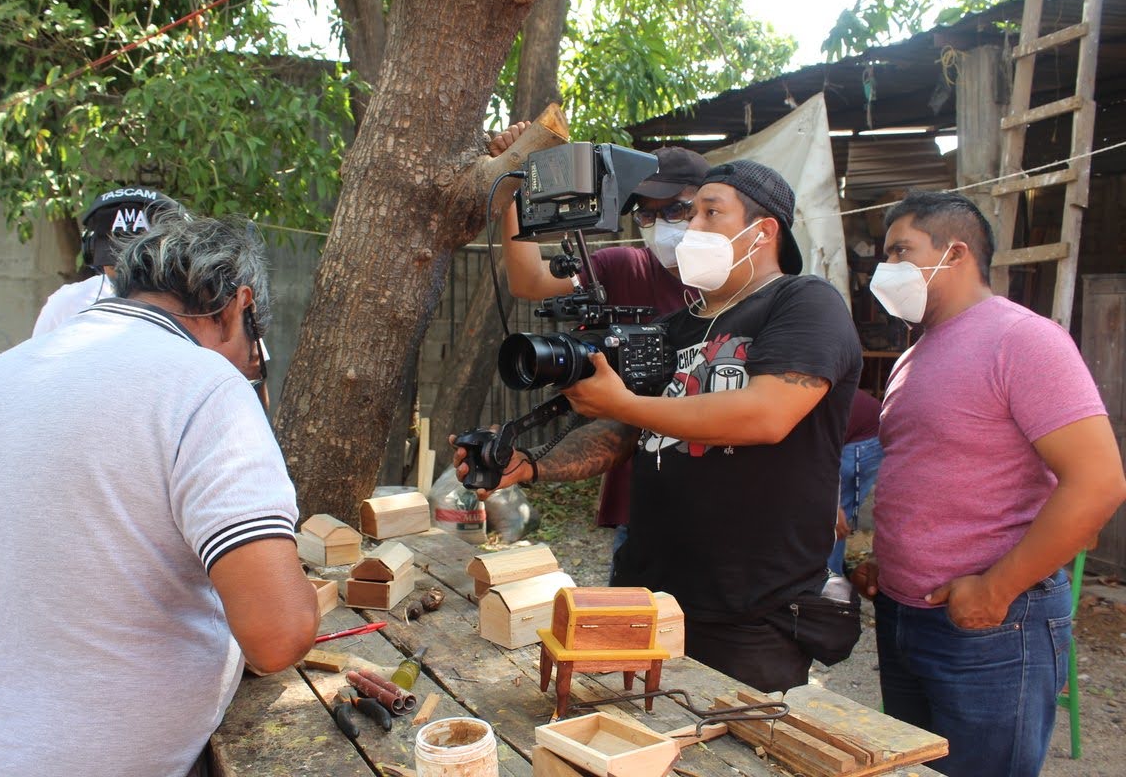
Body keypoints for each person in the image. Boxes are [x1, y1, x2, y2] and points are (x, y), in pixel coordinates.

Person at [0, 213, 319, 776]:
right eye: (253, 342)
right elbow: (278, 636)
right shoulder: (207, 386)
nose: (251, 363)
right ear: (238, 306)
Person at [457, 160, 862, 692]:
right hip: (646, 593)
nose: (691, 228)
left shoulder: (805, 303)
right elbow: (625, 434)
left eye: (710, 213)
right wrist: (530, 465)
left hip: (751, 611)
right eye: (689, 215)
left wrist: (624, 404)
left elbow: (767, 414)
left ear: (763, 232)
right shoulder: (674, 327)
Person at [850, 191, 1126, 777]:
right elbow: (932, 468)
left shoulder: (1022, 340)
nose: (887, 270)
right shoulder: (914, 355)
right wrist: (891, 558)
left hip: (994, 627)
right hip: (907, 615)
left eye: (901, 250)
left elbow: (1099, 482)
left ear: (956, 253)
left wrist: (997, 589)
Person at [492, 122, 707, 571]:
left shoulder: (745, 287)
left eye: (676, 210)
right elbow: (529, 281)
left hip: (720, 500)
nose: (660, 225)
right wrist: (514, 186)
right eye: (647, 216)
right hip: (643, 496)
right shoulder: (625, 266)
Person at [32, 185, 182, 337]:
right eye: (115, 260)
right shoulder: (66, 304)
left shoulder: (194, 307)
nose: (127, 270)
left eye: (143, 262)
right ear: (91, 251)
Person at [828, 389, 884, 575]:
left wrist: (831, 504)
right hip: (849, 432)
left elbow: (819, 454)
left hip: (865, 438)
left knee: (832, 518)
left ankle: (828, 582)